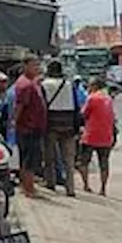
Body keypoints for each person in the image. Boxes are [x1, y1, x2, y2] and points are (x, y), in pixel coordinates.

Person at [40, 60, 85, 197]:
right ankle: (70, 189)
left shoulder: (44, 85)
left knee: (50, 157)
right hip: (69, 125)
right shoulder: (69, 84)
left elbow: (42, 105)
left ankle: (51, 183)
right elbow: (77, 106)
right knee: (69, 160)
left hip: (51, 124)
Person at [10, 56, 47, 198]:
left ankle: (28, 186)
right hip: (28, 127)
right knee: (29, 159)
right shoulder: (24, 84)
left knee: (31, 158)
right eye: (33, 65)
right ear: (24, 66)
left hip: (34, 127)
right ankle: (28, 189)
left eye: (38, 65)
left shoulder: (32, 83)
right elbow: (20, 106)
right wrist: (15, 122)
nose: (37, 68)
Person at [77, 77, 116, 196]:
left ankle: (86, 185)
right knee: (104, 163)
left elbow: (83, 114)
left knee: (84, 162)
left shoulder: (91, 98)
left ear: (93, 86)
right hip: (106, 135)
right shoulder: (108, 98)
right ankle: (103, 189)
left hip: (91, 135)